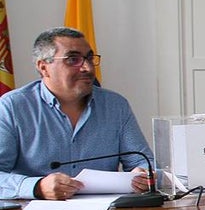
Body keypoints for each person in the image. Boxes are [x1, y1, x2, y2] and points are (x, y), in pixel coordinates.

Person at [0, 27, 153, 200]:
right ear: (44, 67)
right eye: (73, 59)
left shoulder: (115, 105)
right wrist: (37, 187)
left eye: (89, 58)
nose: (87, 67)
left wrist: (146, 174)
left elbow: (142, 161)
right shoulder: (13, 106)